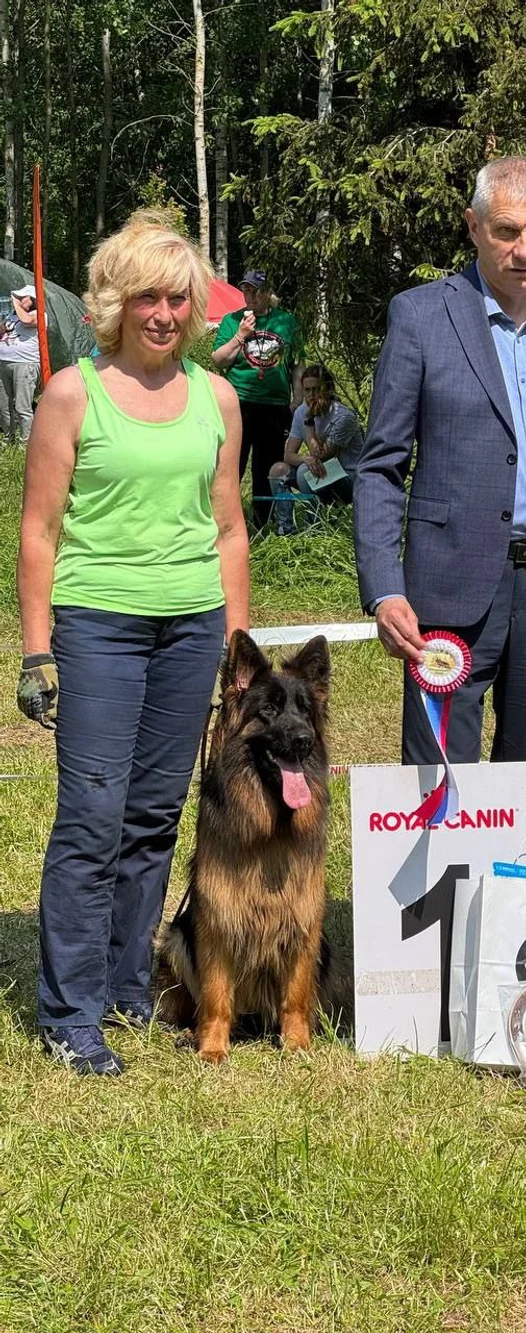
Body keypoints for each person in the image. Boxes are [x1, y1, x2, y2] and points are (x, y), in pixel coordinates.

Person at [16, 210, 249, 1076]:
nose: (162, 311)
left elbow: (228, 530)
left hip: (190, 627)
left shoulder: (216, 397)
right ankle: (68, 1012)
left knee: (153, 816)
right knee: (92, 816)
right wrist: (38, 649)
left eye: (177, 296)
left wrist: (236, 645)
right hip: (96, 625)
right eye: (147, 295)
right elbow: (38, 532)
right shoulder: (72, 393)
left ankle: (121, 981)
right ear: (115, 301)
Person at [353, 156, 526, 840]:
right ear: (472, 227)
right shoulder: (420, 318)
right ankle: (441, 937)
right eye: (506, 231)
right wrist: (385, 589)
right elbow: (380, 465)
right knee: (438, 777)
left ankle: (503, 935)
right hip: (447, 585)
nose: (524, 250)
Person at [211, 269, 303, 528]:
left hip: (275, 406)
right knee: (232, 465)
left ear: (267, 293)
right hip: (239, 403)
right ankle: (224, 522)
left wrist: (297, 398)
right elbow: (218, 360)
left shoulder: (287, 322)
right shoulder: (233, 320)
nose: (249, 295)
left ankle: (261, 524)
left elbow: (297, 364)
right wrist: (240, 335)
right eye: (246, 289)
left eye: (255, 290)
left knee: (266, 468)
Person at [268, 364, 364, 534]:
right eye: (307, 390)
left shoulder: (343, 417)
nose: (311, 396)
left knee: (306, 471)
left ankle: (315, 528)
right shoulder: (301, 412)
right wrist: (304, 458)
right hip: (321, 472)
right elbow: (288, 455)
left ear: (328, 389)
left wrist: (309, 422)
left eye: (316, 389)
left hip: (349, 476)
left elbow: (321, 455)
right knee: (278, 470)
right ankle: (286, 529)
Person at [0, 283, 45, 441]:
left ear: (32, 299)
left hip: (25, 364)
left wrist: (14, 302)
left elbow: (26, 321)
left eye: (21, 297)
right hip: (4, 363)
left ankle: (26, 443)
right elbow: (3, 331)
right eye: (17, 297)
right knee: (4, 406)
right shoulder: (12, 316)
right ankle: (8, 438)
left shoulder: (40, 315)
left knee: (22, 406)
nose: (18, 300)